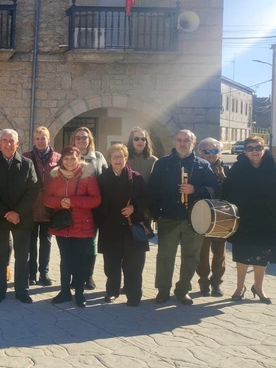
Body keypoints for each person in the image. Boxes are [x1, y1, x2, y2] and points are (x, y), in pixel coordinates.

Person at [148, 129, 218, 305]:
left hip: (194, 219)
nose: (182, 143)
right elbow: (152, 189)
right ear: (174, 142)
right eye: (179, 140)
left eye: (186, 140)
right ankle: (163, 290)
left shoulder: (203, 165)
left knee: (191, 257)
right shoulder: (162, 164)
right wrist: (155, 214)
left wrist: (195, 190)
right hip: (168, 217)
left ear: (193, 143)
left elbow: (213, 189)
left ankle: (183, 290)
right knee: (165, 256)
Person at [223, 136, 276, 304]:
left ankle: (258, 287)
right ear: (245, 151)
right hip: (244, 220)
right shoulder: (237, 169)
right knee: (242, 256)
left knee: (262, 257)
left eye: (258, 147)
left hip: (268, 220)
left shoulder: (275, 170)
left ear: (264, 149)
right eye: (250, 148)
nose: (254, 151)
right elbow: (227, 193)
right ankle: (239, 287)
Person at [0, 129, 38, 304]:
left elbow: (33, 190)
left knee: (22, 256)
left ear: (17, 143)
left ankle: (22, 290)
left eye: (11, 141)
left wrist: (17, 212)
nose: (7, 144)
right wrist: (7, 213)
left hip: (22, 217)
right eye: (4, 140)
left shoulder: (27, 164)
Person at [43, 146, 101, 308]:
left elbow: (96, 199)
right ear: (62, 160)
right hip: (62, 225)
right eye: (66, 159)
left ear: (79, 159)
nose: (69, 162)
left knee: (80, 261)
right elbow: (47, 198)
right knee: (65, 260)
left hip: (82, 225)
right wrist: (60, 202)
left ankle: (80, 294)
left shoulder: (87, 176)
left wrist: (73, 201)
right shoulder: (55, 176)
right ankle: (64, 291)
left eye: (73, 159)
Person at [96, 144, 148, 306]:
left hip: (132, 227)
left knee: (134, 264)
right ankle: (112, 291)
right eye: (114, 157)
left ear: (126, 158)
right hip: (110, 228)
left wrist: (134, 208)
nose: (118, 160)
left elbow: (147, 199)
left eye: (121, 156)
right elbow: (97, 203)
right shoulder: (102, 178)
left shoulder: (136, 178)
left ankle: (134, 295)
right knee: (111, 264)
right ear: (109, 159)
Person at [23, 126, 61, 287]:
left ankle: (43, 273)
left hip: (48, 207)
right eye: (37, 138)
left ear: (48, 139)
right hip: (31, 206)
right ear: (34, 140)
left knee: (46, 241)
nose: (40, 141)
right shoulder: (26, 157)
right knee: (31, 242)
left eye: (43, 138)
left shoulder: (58, 158)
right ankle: (31, 273)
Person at [71, 126, 107, 291]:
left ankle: (88, 276)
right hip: (74, 206)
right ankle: (75, 276)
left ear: (89, 139)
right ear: (74, 140)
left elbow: (106, 178)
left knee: (90, 243)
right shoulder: (69, 157)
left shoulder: (98, 157)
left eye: (84, 137)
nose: (81, 140)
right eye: (78, 138)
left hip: (94, 206)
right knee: (75, 243)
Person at [196, 137, 228, 297]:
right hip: (202, 215)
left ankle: (216, 283)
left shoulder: (226, 170)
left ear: (220, 152)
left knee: (219, 253)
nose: (211, 154)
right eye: (207, 151)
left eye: (214, 151)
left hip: (222, 216)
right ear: (201, 152)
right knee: (202, 252)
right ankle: (203, 282)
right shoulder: (196, 168)